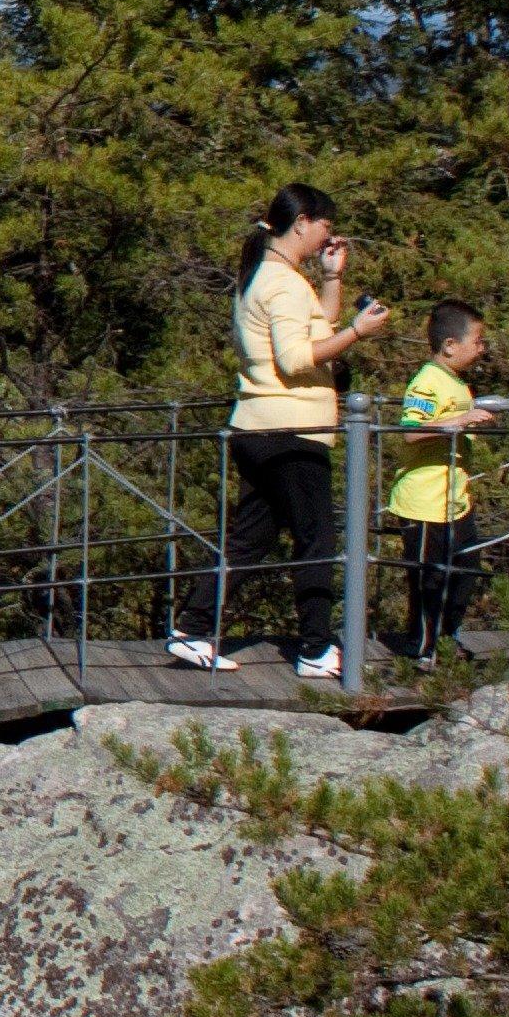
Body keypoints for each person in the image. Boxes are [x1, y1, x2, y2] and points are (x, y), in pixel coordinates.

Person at [203, 183, 391, 678]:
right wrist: (359, 333)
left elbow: (313, 328)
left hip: (259, 427)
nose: (328, 236)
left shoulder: (269, 276)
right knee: (315, 538)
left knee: (251, 540)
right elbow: (298, 357)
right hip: (290, 429)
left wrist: (333, 279)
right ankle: (315, 648)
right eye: (326, 226)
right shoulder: (283, 282)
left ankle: (193, 628)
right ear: (303, 222)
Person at [386, 300, 497, 662]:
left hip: (454, 501)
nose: (482, 348)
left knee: (465, 571)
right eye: (477, 341)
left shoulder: (456, 383)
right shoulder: (427, 382)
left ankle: (446, 639)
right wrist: (459, 422)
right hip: (424, 503)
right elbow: (410, 431)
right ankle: (422, 647)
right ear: (450, 344)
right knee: (429, 580)